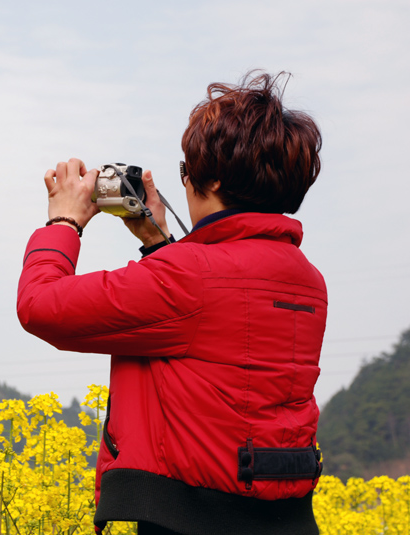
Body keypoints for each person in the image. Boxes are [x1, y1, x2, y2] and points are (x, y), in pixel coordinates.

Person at [17, 72, 325, 535]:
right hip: (288, 517)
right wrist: (160, 246)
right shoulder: (307, 279)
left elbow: (41, 305)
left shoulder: (189, 276)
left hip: (189, 522)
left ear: (212, 178)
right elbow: (213, 341)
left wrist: (63, 221)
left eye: (187, 171)